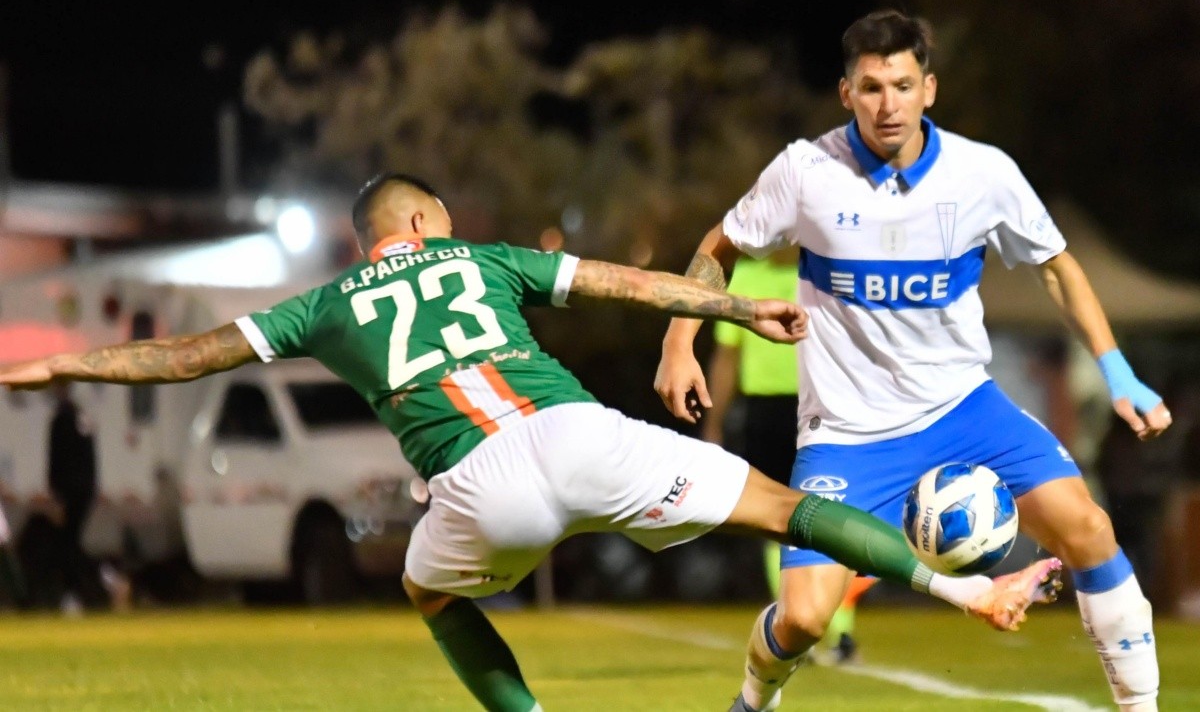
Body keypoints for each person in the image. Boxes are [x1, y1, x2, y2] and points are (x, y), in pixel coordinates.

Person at [0, 173, 1062, 712]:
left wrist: (60, 365)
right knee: (787, 510)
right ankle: (968, 589)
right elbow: (620, 281)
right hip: (578, 429)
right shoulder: (484, 256)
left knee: (431, 595)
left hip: (474, 485)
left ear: (367, 241)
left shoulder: (323, 303)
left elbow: (183, 358)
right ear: (429, 223)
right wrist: (734, 313)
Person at [654, 9, 1170, 712]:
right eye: (870, 87)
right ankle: (753, 698)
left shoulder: (983, 173)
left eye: (901, 84)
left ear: (930, 88)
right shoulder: (806, 172)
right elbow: (724, 243)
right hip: (846, 434)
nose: (886, 103)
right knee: (805, 616)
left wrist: (1117, 373)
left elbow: (1057, 267)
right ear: (846, 94)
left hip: (964, 408)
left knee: (1089, 528)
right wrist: (679, 341)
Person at [703, 247, 878, 664]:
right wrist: (713, 423)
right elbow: (728, 355)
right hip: (765, 412)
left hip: (820, 404)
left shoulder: (824, 269)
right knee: (776, 517)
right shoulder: (747, 274)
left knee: (834, 510)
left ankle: (840, 628)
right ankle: (794, 619)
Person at [47, 381, 97, 615]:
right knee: (74, 541)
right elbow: (90, 456)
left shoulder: (61, 419)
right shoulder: (82, 417)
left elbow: (56, 461)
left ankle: (74, 594)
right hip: (85, 489)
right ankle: (99, 582)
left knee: (67, 544)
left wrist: (55, 495)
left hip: (69, 490)